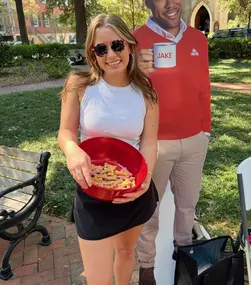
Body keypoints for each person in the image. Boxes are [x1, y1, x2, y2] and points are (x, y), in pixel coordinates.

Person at [58, 14, 159, 285]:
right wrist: (72, 150)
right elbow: (66, 133)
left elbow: (149, 141)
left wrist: (145, 178)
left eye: (117, 45)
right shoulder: (79, 84)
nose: (111, 55)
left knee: (126, 252)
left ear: (129, 45)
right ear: (92, 53)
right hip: (93, 191)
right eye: (101, 49)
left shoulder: (146, 91)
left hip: (134, 190)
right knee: (98, 279)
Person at [132, 0, 211, 284]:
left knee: (188, 207)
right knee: (149, 210)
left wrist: (206, 130)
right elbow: (117, 89)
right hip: (154, 143)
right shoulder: (133, 39)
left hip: (193, 141)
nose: (171, 4)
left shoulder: (198, 39)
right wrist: (133, 69)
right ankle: (146, 267)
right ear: (148, 3)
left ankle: (185, 262)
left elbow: (204, 86)